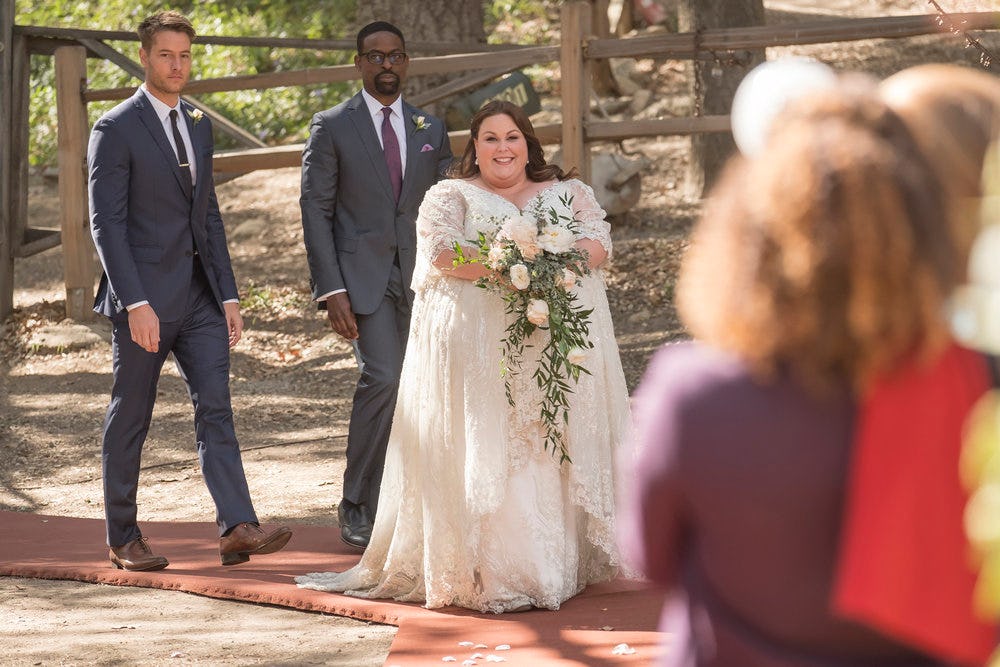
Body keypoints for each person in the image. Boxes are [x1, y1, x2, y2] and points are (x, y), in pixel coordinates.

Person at [621, 77, 1000, 667]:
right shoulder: (973, 385)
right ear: (921, 232)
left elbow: (650, 558)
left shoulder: (691, 394)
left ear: (749, 236)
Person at [296, 100, 631, 612]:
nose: (502, 148)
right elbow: (441, 253)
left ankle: (553, 563)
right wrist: (512, 267)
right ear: (475, 146)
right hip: (483, 352)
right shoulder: (450, 194)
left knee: (544, 443)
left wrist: (550, 266)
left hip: (551, 348)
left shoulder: (568, 192)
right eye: (490, 138)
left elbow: (597, 244)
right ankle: (495, 569)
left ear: (528, 144)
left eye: (512, 137)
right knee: (496, 444)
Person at [88, 10, 291, 571]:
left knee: (217, 408)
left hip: (200, 298)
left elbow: (209, 215)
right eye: (165, 55)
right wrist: (135, 303)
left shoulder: (199, 123)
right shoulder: (115, 128)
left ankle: (237, 526)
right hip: (144, 301)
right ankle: (122, 536)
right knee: (132, 415)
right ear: (144, 57)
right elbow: (106, 224)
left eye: (184, 56)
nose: (177, 66)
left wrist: (228, 294)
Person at [300, 21, 453, 550]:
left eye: (395, 56)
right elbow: (315, 210)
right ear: (359, 63)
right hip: (361, 280)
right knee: (384, 377)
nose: (386, 65)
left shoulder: (431, 127)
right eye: (375, 56)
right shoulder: (331, 126)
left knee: (419, 386)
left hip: (424, 279)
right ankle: (356, 503)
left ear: (406, 62)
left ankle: (404, 502)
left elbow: (450, 200)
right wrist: (330, 289)